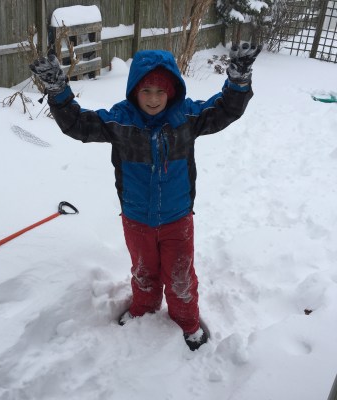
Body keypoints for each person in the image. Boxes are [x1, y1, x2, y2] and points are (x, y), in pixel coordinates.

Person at [30, 44, 261, 351]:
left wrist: (239, 78)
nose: (153, 99)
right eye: (146, 91)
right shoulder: (120, 121)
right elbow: (78, 124)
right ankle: (144, 306)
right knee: (143, 272)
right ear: (134, 91)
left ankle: (187, 321)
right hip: (136, 219)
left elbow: (225, 110)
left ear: (172, 92)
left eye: (161, 91)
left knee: (180, 278)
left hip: (177, 219)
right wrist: (58, 90)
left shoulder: (186, 118)